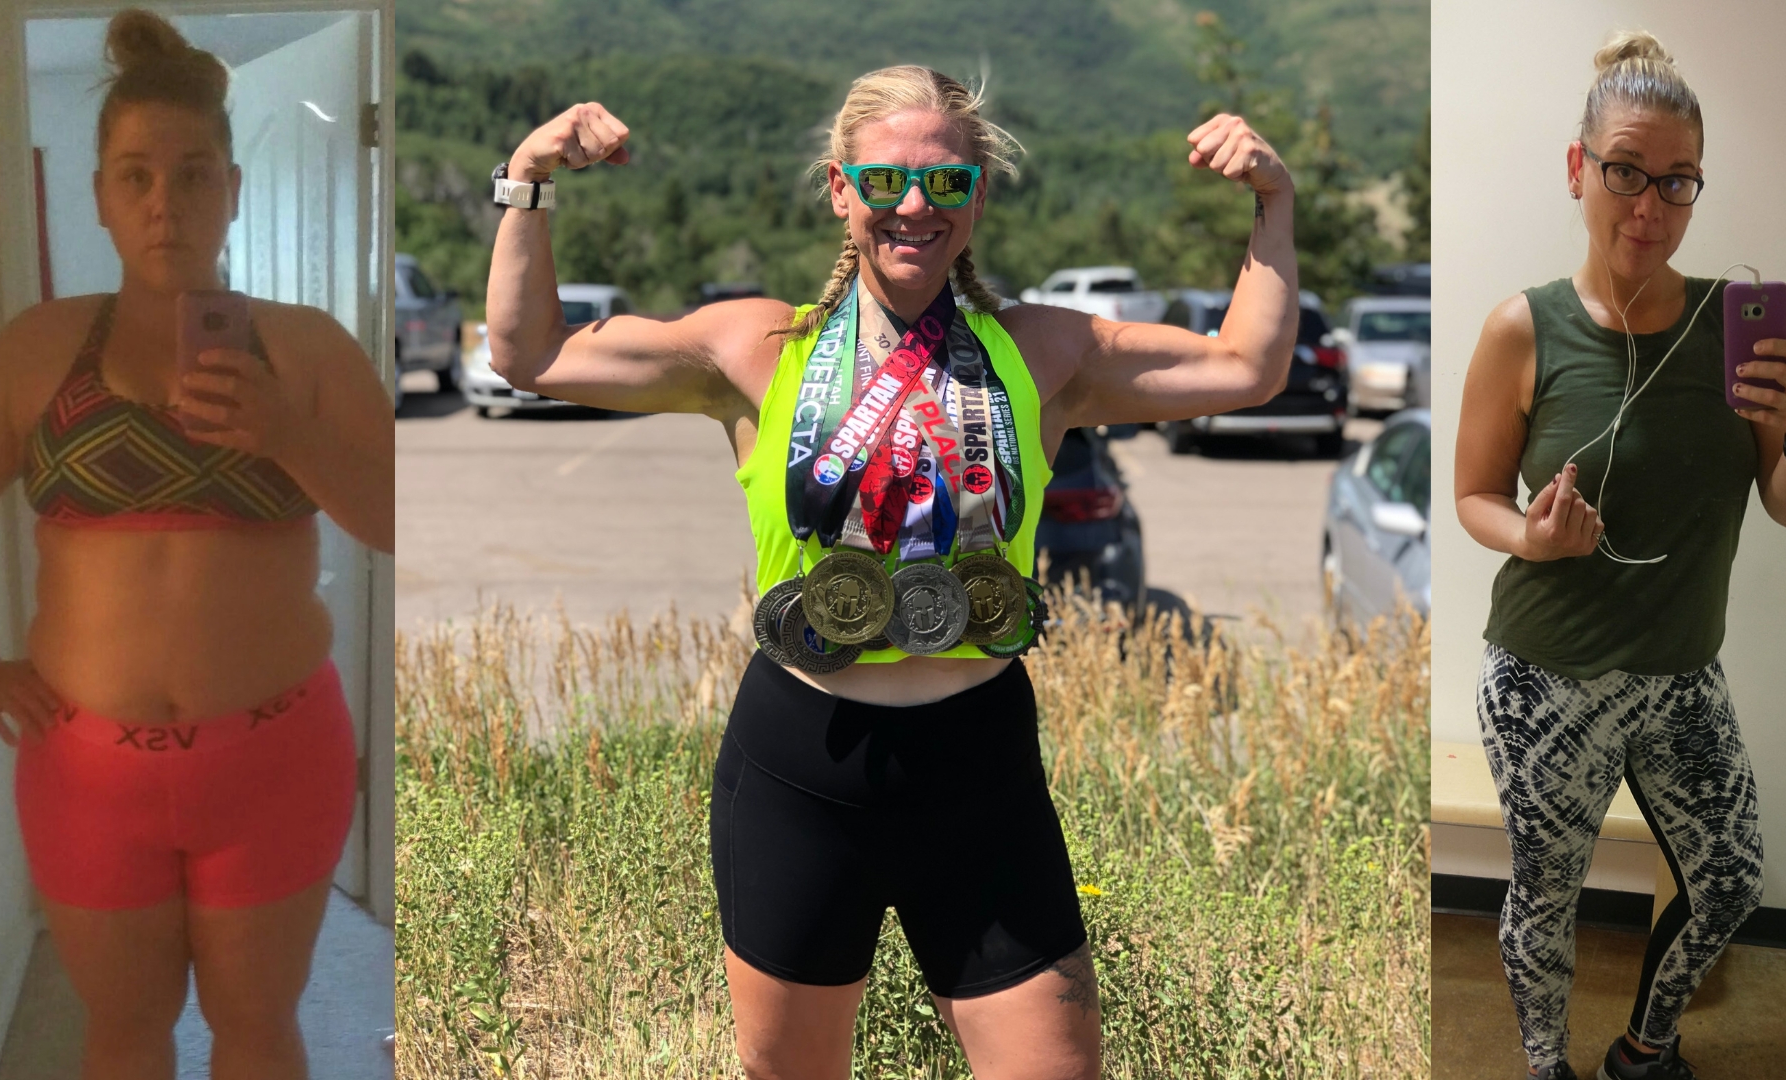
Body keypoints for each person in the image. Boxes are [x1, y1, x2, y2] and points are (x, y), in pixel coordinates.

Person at [486, 65, 1298, 1078]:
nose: (914, 208)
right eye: (884, 184)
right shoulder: (758, 346)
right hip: (801, 764)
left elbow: (1248, 366)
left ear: (978, 200)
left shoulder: (1045, 350)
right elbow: (530, 352)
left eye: (947, 185)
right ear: (841, 191)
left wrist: (1274, 202)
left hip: (979, 765)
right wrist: (526, 178)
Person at [0, 11, 393, 1079]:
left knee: (256, 1027)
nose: (166, 204)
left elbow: (399, 522)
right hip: (86, 772)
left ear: (232, 191)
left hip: (275, 762)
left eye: (195, 175)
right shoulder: (36, 351)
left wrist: (284, 435)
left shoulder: (305, 349)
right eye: (137, 176)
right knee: (124, 1030)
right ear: (102, 195)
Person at [1453, 31, 1786, 1080]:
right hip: (1543, 680)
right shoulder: (1520, 329)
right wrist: (1532, 534)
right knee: (1548, 896)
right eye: (1626, 172)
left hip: (1680, 680)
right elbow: (1475, 497)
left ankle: (1644, 1049)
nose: (1649, 208)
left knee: (1731, 880)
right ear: (1580, 168)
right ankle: (1546, 1066)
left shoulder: (1736, 330)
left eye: (1678, 183)